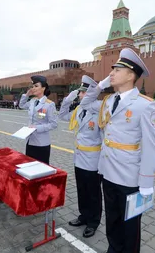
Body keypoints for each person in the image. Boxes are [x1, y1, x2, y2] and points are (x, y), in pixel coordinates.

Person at [80, 48, 155, 253]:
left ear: (131, 75)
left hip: (130, 178)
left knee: (130, 228)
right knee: (112, 222)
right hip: (107, 172)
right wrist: (100, 86)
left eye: (116, 70)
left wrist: (147, 182)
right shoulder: (108, 102)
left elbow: (151, 147)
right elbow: (85, 102)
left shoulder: (145, 106)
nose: (111, 73)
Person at [58, 75, 102, 238]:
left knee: (93, 193)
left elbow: (104, 138)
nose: (80, 95)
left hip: (93, 160)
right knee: (82, 190)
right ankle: (84, 216)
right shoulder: (78, 111)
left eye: (83, 93)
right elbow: (62, 115)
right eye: (80, 92)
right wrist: (68, 99)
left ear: (91, 94)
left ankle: (93, 222)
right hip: (79, 157)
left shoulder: (99, 113)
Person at [19, 75, 58, 164]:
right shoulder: (32, 101)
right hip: (30, 142)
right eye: (32, 86)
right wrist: (27, 95)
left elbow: (54, 124)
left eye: (36, 86)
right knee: (29, 168)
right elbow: (21, 105)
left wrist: (37, 127)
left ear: (43, 88)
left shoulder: (49, 104)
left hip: (41, 143)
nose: (33, 88)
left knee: (41, 170)